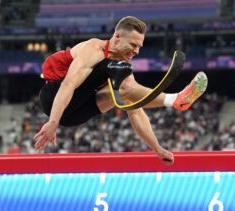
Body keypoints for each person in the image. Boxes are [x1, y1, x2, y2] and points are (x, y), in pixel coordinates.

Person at [34, 16, 207, 165]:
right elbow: (68, 85)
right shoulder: (94, 49)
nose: (136, 51)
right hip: (53, 98)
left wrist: (157, 149)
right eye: (133, 44)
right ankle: (175, 99)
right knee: (114, 67)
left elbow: (136, 111)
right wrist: (53, 122)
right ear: (117, 37)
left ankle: (175, 101)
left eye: (139, 46)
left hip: (74, 116)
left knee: (127, 91)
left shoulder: (120, 67)